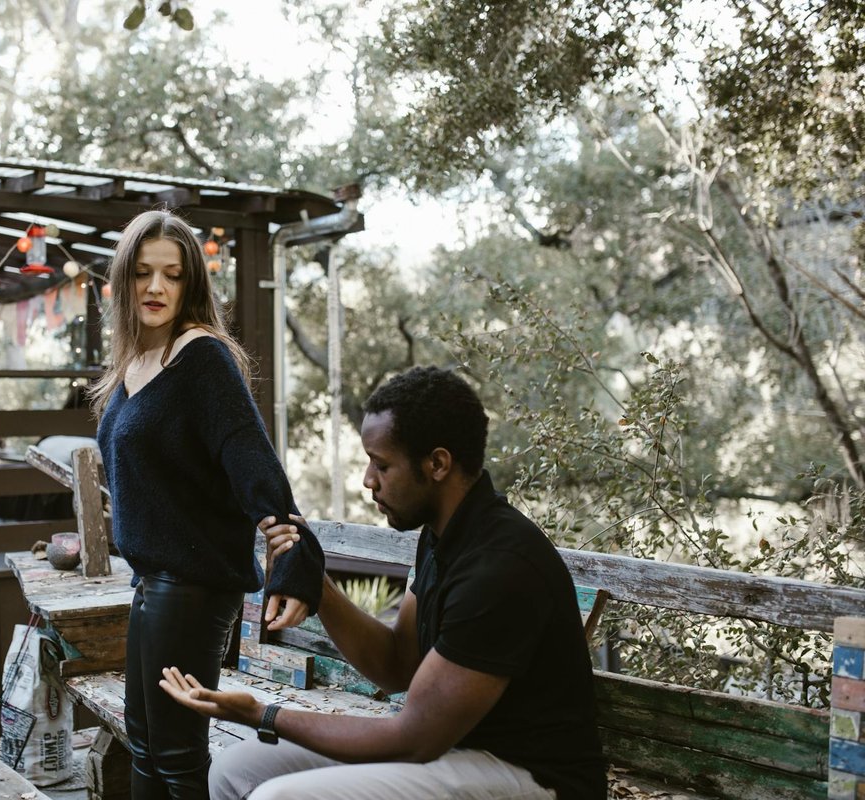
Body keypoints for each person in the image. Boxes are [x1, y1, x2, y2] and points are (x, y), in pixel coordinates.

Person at [159, 366, 607, 800]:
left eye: (381, 465)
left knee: (282, 797)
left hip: (530, 776)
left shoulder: (501, 565)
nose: (367, 480)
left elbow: (413, 738)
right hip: (452, 750)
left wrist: (263, 713)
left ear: (437, 464)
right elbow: (397, 664)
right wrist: (316, 584)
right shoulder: (440, 538)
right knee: (236, 771)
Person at [91, 208, 326, 800]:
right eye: (143, 273)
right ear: (124, 281)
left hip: (193, 589)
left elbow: (252, 460)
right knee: (144, 747)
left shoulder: (202, 357)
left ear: (191, 282)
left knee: (174, 756)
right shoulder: (136, 365)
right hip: (153, 582)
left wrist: (295, 559)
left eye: (171, 275)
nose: (155, 288)